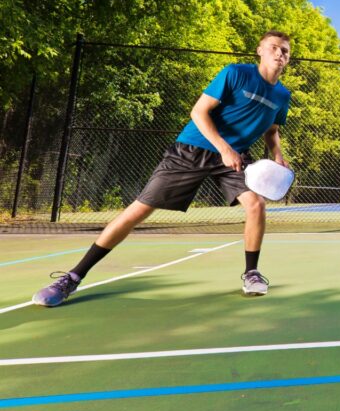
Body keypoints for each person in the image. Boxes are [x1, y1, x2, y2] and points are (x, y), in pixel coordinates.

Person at [32, 31, 293, 307]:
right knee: (140, 210)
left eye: (285, 51)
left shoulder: (282, 95)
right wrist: (223, 147)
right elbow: (198, 112)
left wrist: (277, 152)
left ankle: (251, 273)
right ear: (260, 50)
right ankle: (73, 277)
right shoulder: (235, 74)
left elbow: (272, 128)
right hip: (193, 148)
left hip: (234, 158)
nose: (279, 54)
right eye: (274, 48)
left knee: (256, 205)